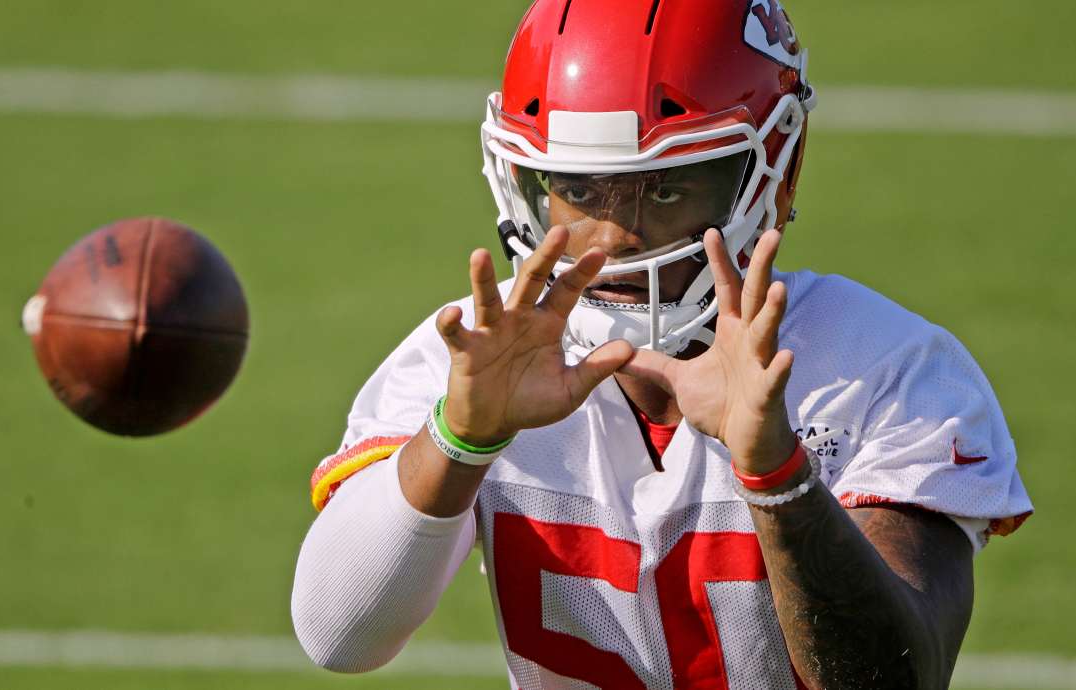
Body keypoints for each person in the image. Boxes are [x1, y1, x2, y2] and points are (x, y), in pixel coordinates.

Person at [292, 1, 1033, 687]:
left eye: (668, 189)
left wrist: (779, 475)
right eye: (580, 191)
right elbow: (339, 635)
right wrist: (461, 440)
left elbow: (895, 678)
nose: (616, 237)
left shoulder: (881, 368)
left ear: (774, 170)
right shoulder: (473, 358)